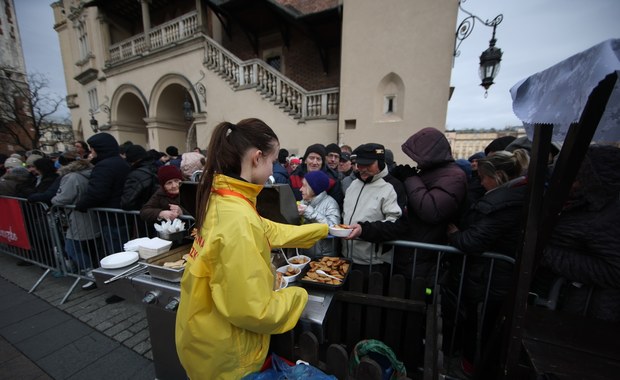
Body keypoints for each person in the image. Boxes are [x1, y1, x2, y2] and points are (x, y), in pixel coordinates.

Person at [175, 118, 328, 379]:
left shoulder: (224, 199)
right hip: (227, 355)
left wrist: (323, 230)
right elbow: (254, 311)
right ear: (257, 158)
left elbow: (268, 229)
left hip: (200, 338)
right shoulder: (238, 218)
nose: (273, 166)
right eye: (273, 159)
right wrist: (299, 296)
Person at [446, 149, 529, 376]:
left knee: (482, 328)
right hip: (491, 275)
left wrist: (455, 234)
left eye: (483, 178)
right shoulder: (513, 196)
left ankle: (475, 369)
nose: (481, 183)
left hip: (491, 279)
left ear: (499, 175)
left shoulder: (503, 202)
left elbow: (474, 240)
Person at [534, 145, 620, 322]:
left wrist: (545, 252)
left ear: (592, 179)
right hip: (565, 298)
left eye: (574, 178)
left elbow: (614, 271)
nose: (567, 184)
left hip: (591, 309)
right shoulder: (585, 202)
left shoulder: (609, 214)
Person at [389, 127, 468, 282]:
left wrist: (410, 178)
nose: (416, 162)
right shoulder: (431, 172)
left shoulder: (454, 177)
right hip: (412, 251)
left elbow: (431, 210)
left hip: (424, 255)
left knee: (419, 298)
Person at [342, 143, 405, 273]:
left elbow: (396, 225)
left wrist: (363, 230)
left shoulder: (393, 186)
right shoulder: (353, 185)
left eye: (368, 165)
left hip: (374, 264)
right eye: (359, 165)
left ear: (381, 163)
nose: (362, 169)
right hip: (346, 258)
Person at [75, 133, 131, 263]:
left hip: (112, 218)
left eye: (92, 148)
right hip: (122, 215)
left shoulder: (104, 166)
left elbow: (97, 193)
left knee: (117, 254)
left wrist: (82, 204)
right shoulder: (121, 163)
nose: (91, 152)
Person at [52, 157, 101, 290]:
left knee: (72, 247)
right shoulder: (90, 173)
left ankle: (91, 274)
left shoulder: (72, 177)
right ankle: (94, 274)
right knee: (87, 248)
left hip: (78, 217)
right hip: (89, 216)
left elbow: (63, 198)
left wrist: (53, 199)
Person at [298, 170, 340, 257]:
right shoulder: (303, 202)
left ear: (313, 188)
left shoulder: (330, 203)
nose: (300, 189)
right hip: (305, 254)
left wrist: (308, 212)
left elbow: (334, 227)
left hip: (324, 257)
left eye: (304, 186)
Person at [121, 144, 158, 211]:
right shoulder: (155, 167)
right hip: (154, 212)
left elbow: (127, 203)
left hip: (142, 214)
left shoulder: (136, 175)